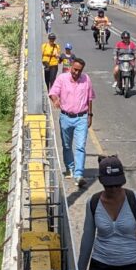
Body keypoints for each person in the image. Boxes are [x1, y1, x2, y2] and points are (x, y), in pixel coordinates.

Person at [48, 57, 95, 187]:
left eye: (79, 71)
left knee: (80, 147)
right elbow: (53, 92)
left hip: (81, 117)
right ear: (71, 67)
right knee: (67, 145)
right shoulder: (62, 78)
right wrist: (55, 99)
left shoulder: (86, 79)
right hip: (66, 118)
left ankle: (79, 175)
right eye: (75, 69)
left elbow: (90, 98)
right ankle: (70, 167)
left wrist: (90, 115)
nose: (76, 73)